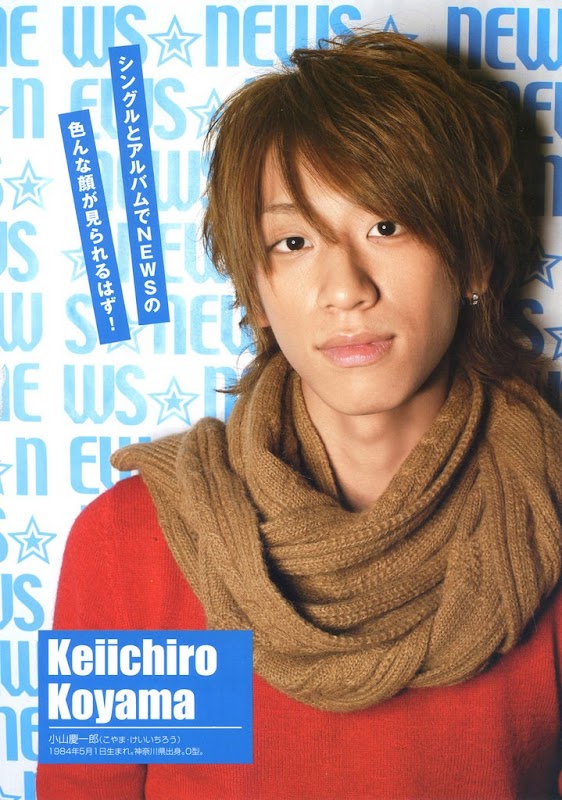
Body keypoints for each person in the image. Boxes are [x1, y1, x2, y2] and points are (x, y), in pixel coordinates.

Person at [37, 30, 562, 799]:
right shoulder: (138, 549)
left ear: (475, 259)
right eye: (293, 241)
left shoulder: (546, 518)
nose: (345, 287)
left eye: (388, 226)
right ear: (255, 290)